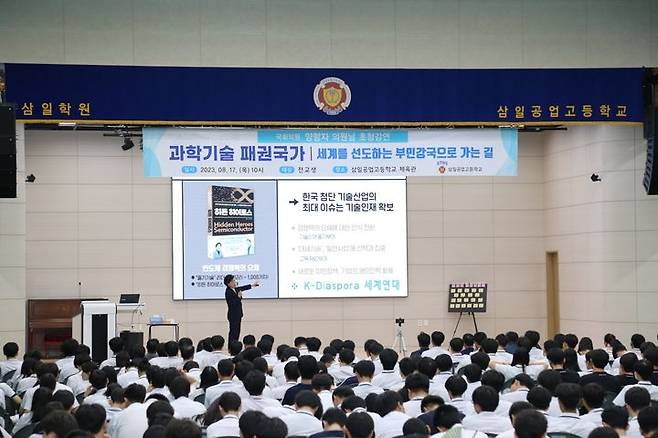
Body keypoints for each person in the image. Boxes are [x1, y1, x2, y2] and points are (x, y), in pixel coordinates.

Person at [224, 274, 259, 342]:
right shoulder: (228, 292)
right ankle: (232, 347)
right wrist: (239, 297)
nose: (235, 282)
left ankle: (235, 345)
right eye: (233, 281)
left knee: (237, 332)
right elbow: (233, 304)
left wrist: (252, 285)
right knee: (233, 333)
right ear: (229, 283)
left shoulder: (234, 289)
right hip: (233, 316)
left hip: (238, 315)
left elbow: (243, 288)